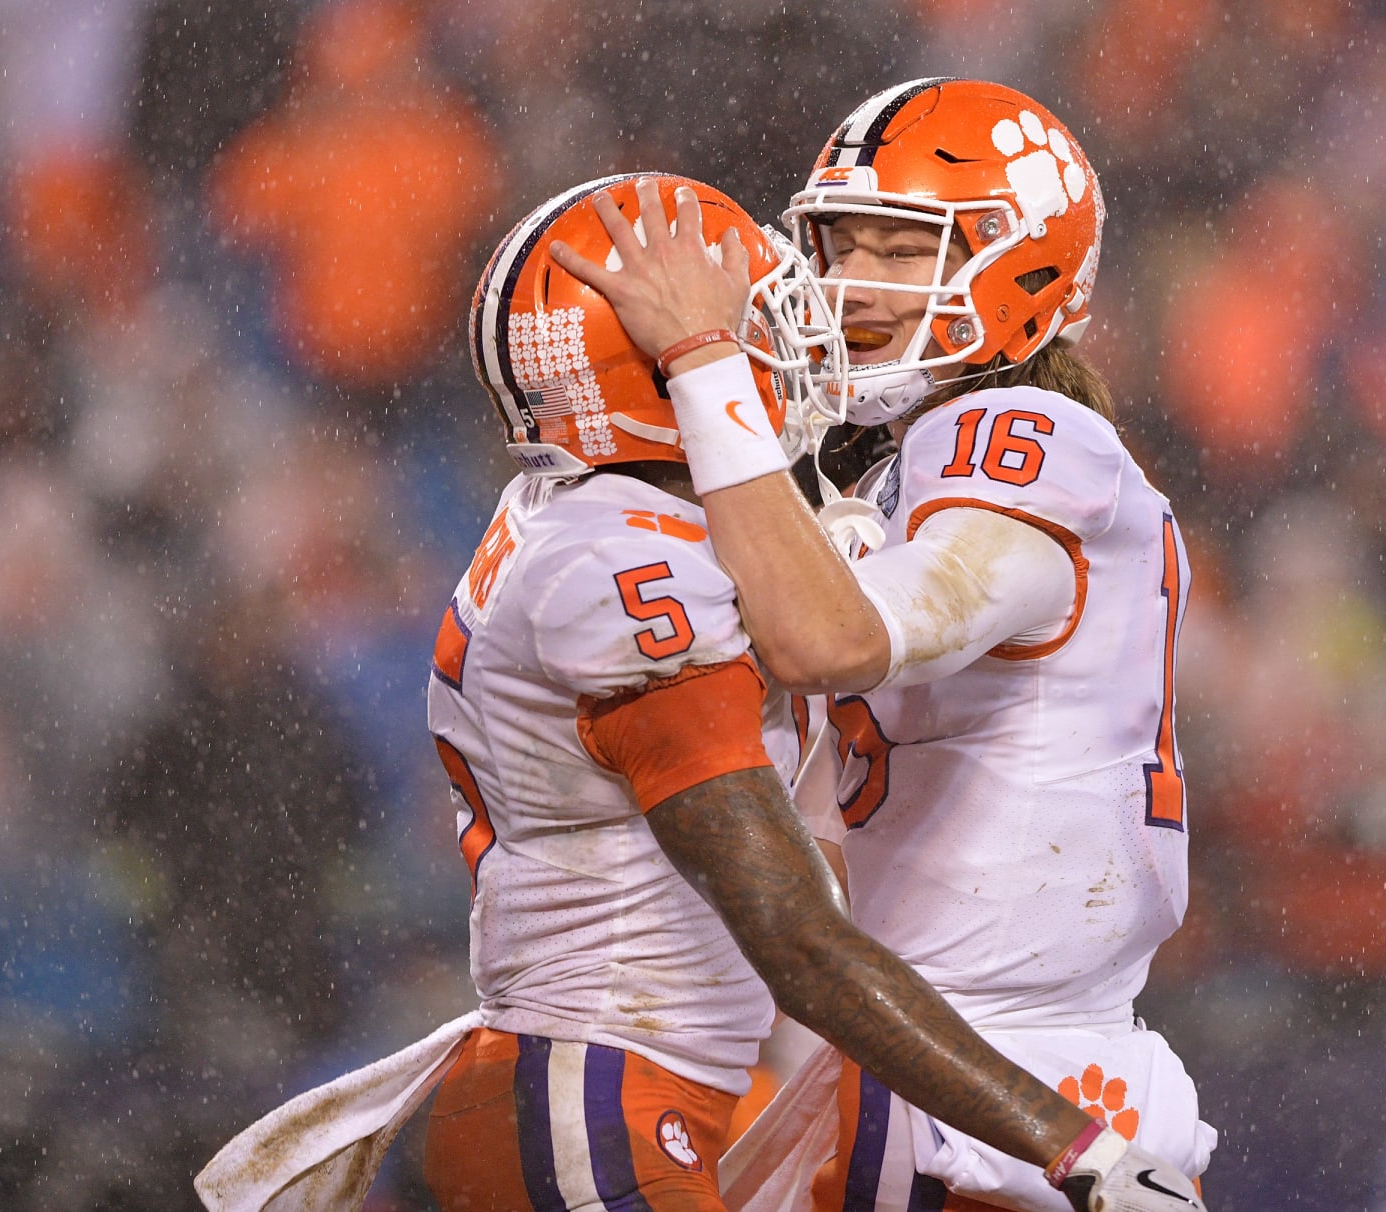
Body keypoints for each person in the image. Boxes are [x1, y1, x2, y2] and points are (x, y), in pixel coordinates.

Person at [195, 172, 1201, 1212]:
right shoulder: (631, 578)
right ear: (651, 369)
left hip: (595, 1085)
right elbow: (799, 941)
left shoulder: (597, 520)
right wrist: (1076, 1150)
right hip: (601, 1097)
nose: (795, 333)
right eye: (746, 323)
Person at [552, 79, 1218, 1210]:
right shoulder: (888, 463)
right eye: (836, 244)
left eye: (902, 249)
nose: (849, 283)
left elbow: (831, 641)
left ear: (1023, 267)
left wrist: (706, 362)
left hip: (1004, 1078)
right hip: (945, 1053)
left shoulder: (1022, 431)